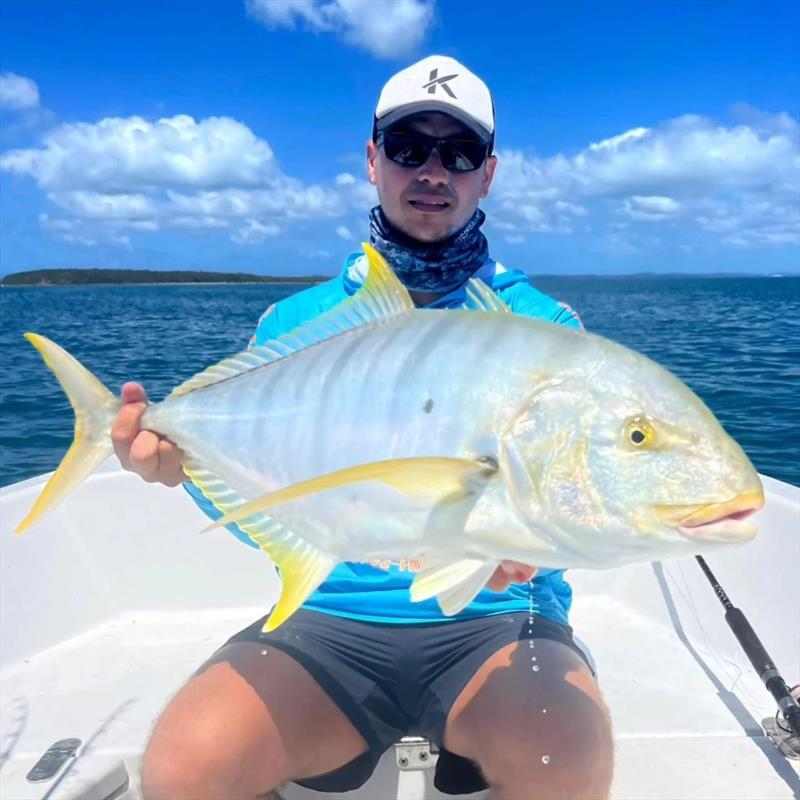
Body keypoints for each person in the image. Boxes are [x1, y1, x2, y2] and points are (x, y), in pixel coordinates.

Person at [117, 56, 614, 800]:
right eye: (410, 146)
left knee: (564, 759)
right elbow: (263, 499)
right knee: (188, 766)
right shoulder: (296, 324)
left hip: (499, 621)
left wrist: (528, 547)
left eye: (460, 151)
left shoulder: (542, 328)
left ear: (490, 173)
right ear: (373, 159)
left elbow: (570, 496)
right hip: (326, 618)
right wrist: (177, 464)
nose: (434, 170)